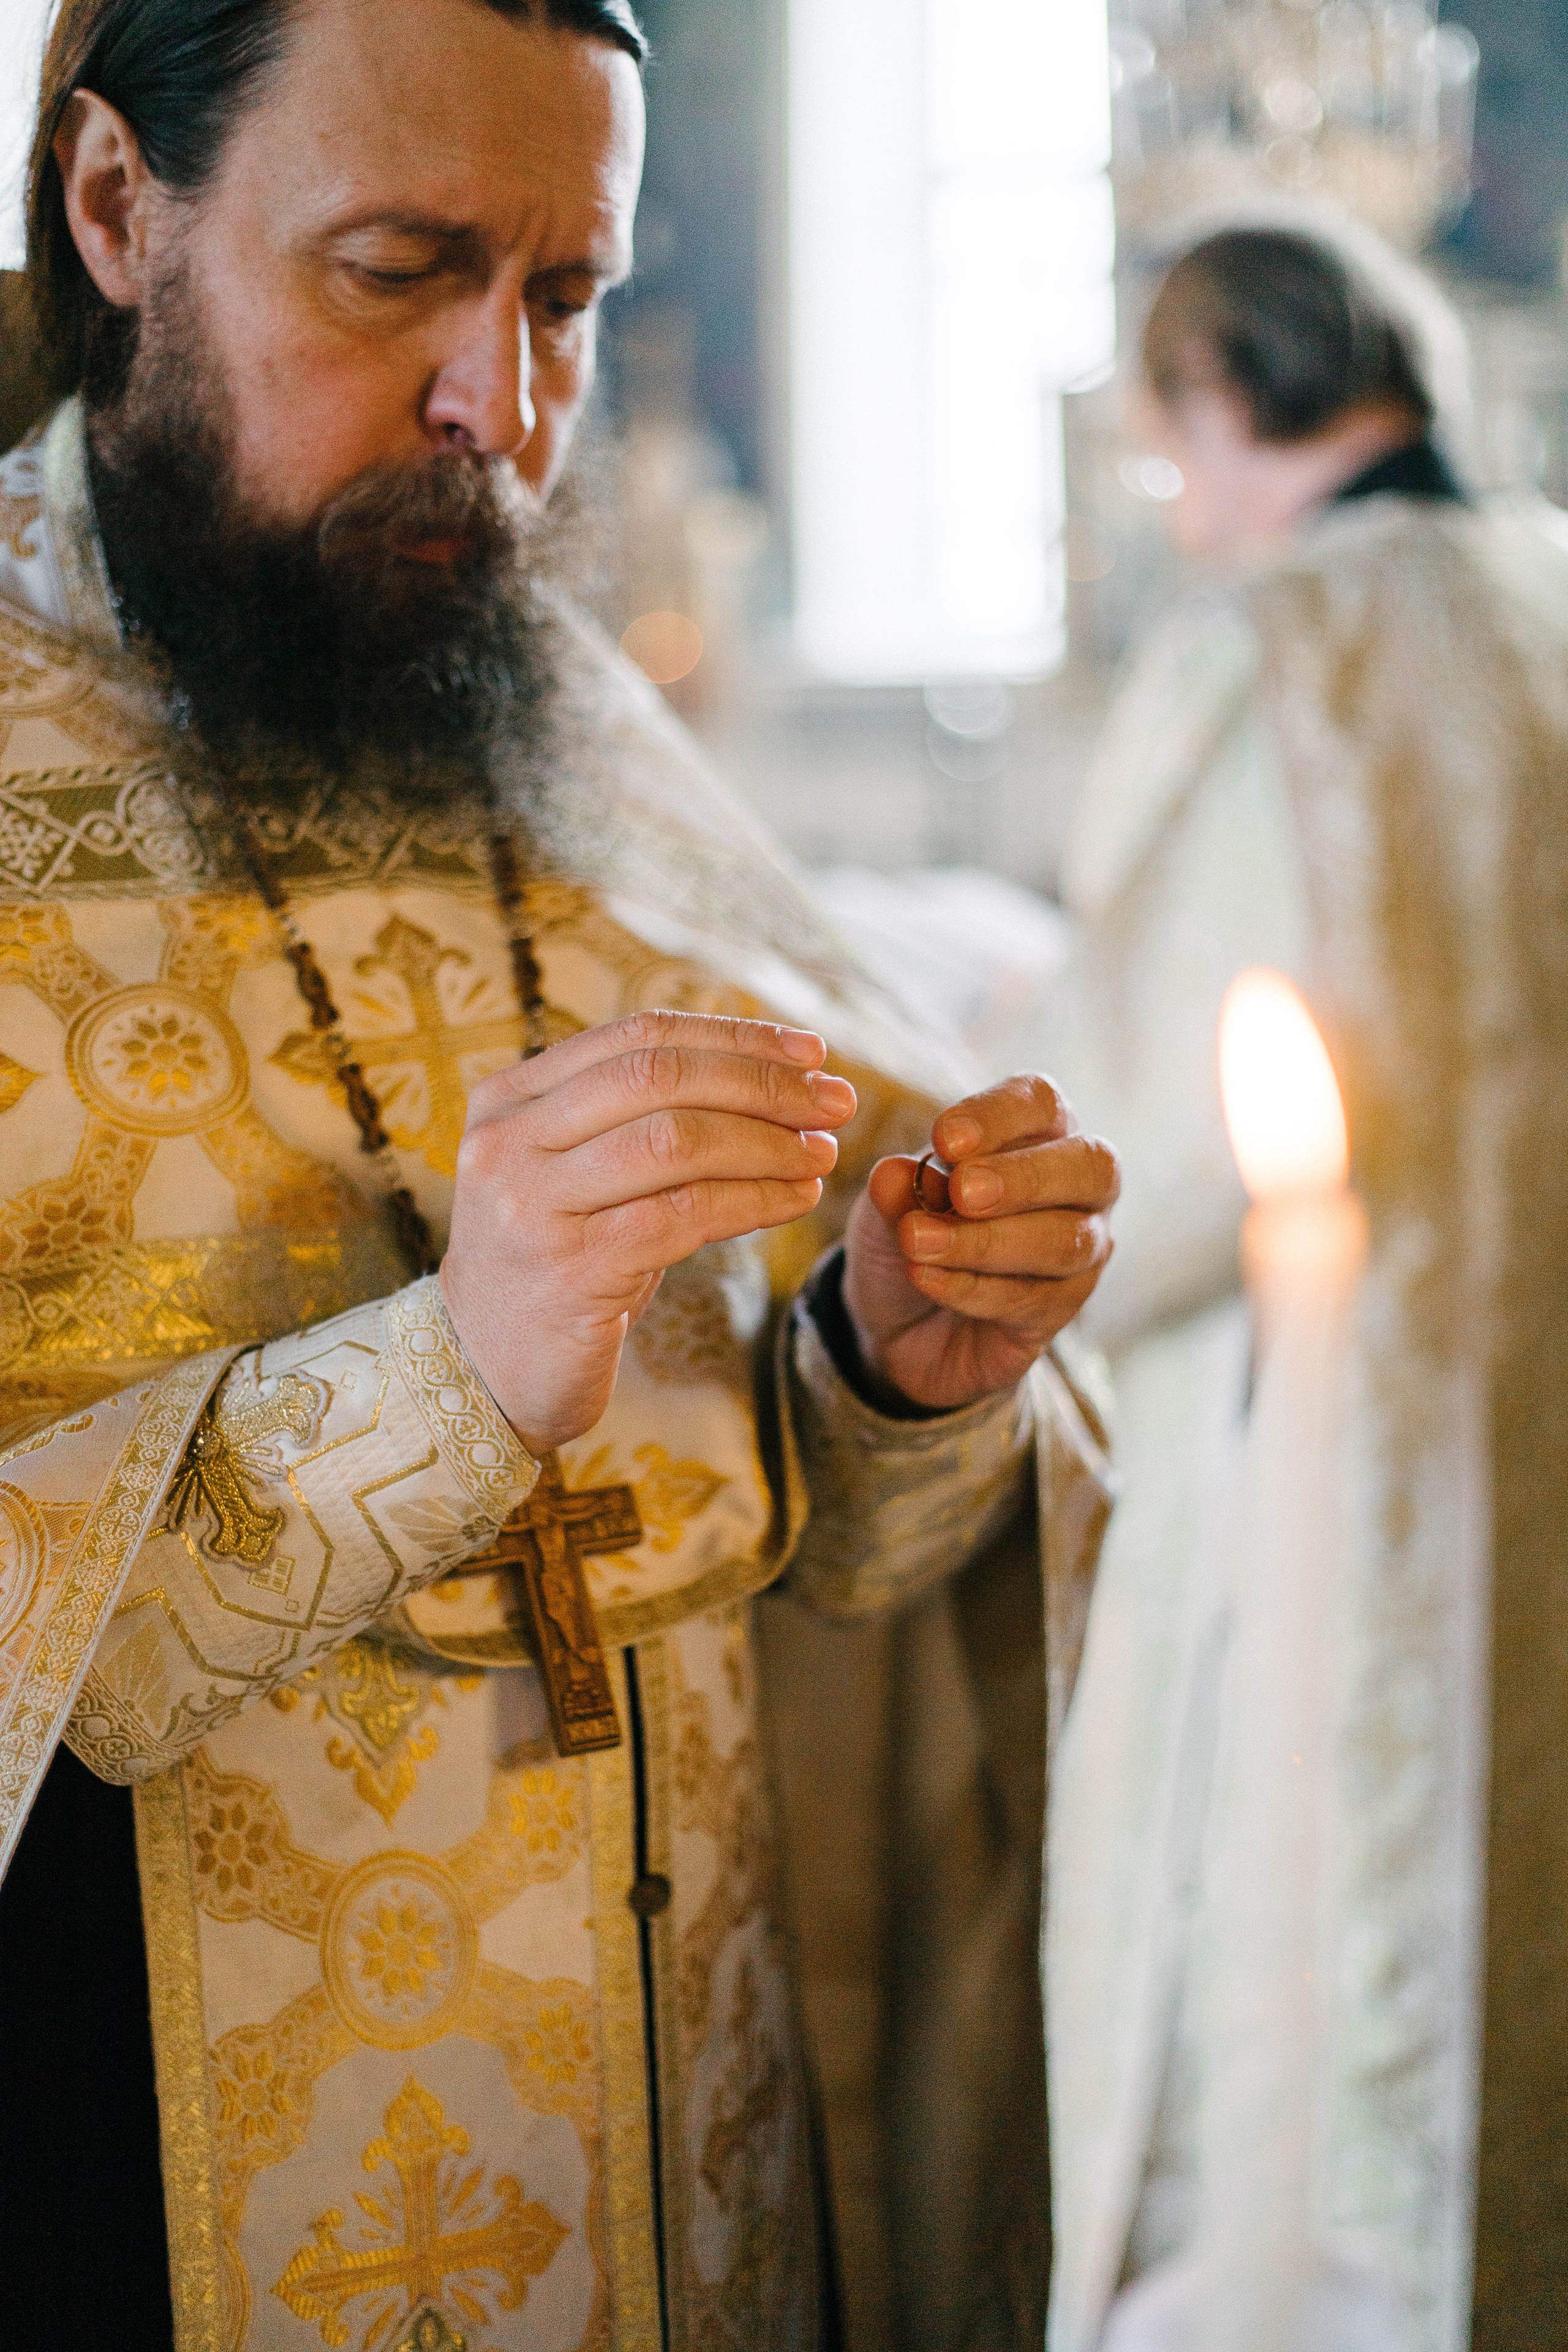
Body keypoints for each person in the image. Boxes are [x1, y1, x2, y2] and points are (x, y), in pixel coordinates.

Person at [0, 4, 1121, 2348]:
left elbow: (799, 1551)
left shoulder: (553, 717)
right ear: (117, 207)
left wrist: (891, 1376)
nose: (498, 412)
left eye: (566, 299)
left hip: (700, 2169)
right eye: (398, 269)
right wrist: (447, 1380)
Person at [1038, 220, 1568, 2349]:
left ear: (1221, 400)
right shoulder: (1550, 595)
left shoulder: (1283, 650)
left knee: (1299, 1962)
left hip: (1330, 1462)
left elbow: (1153, 1142)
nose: (1174, 498)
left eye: (1168, 442)